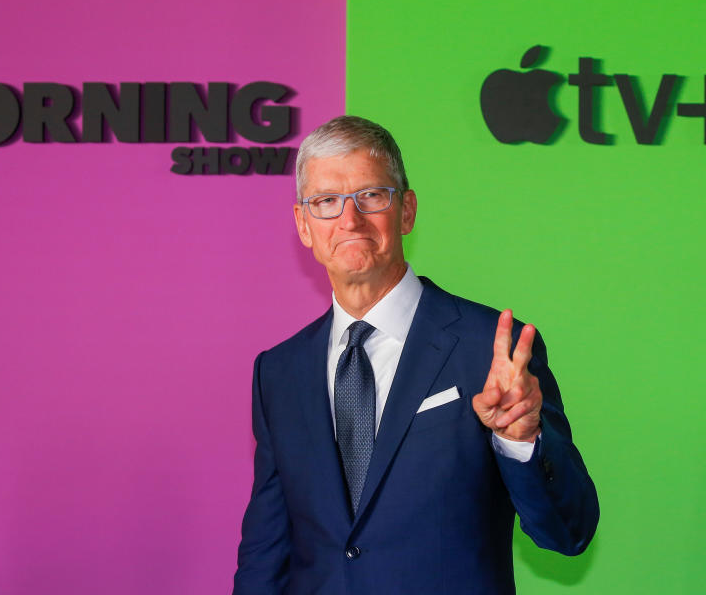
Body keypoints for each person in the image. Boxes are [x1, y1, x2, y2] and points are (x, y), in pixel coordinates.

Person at [234, 115, 598, 594]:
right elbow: (267, 551)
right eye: (326, 202)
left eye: (371, 196)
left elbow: (568, 532)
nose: (349, 219)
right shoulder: (279, 371)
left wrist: (521, 439)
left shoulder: (490, 348)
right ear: (303, 225)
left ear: (406, 211)